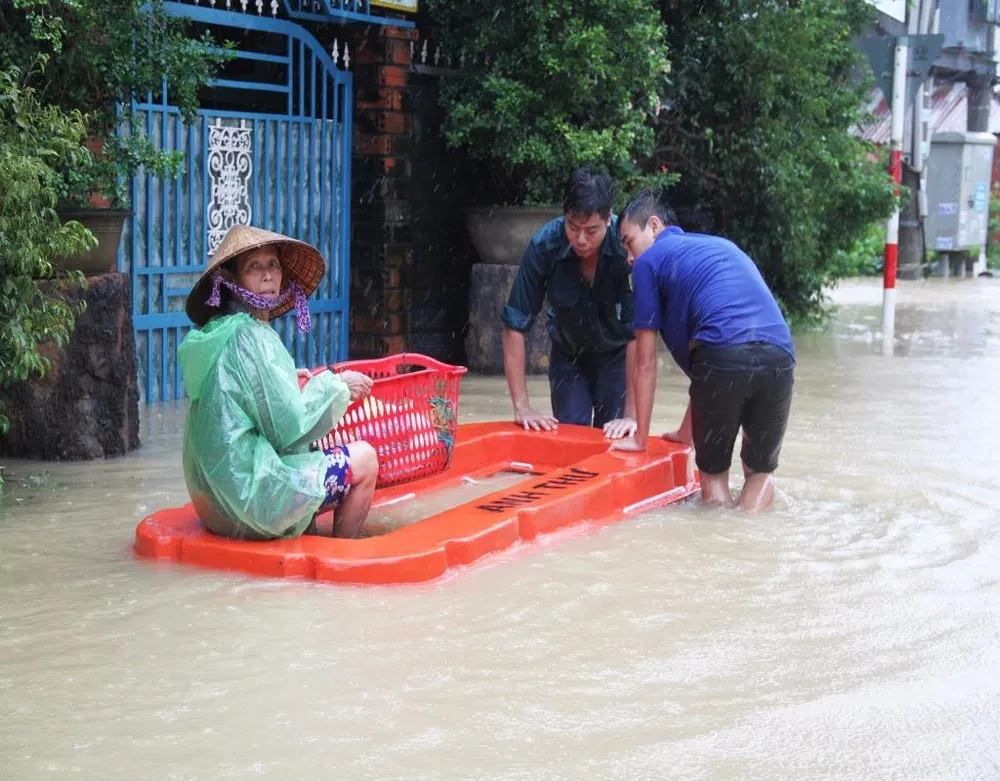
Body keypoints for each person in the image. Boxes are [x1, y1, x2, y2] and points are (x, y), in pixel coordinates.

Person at [178, 224, 379, 540]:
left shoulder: (220, 331)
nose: (267, 275)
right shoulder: (250, 336)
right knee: (366, 459)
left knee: (308, 454)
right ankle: (343, 562)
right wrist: (337, 385)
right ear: (230, 281)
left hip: (215, 503)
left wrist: (292, 381)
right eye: (253, 268)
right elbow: (290, 427)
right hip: (249, 502)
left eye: (272, 264)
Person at [610, 190, 796, 512]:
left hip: (724, 356)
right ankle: (748, 537)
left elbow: (645, 363)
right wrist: (686, 433)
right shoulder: (720, 246)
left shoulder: (648, 263)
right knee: (759, 472)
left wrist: (640, 438)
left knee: (712, 476)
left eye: (629, 242)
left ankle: (724, 543)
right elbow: (705, 367)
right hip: (780, 355)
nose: (629, 256)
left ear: (654, 226)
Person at [501, 166, 637, 439]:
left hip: (617, 357)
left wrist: (632, 414)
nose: (581, 239)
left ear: (609, 218)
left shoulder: (627, 248)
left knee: (615, 439)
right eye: (573, 227)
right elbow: (514, 324)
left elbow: (639, 334)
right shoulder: (544, 245)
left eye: (591, 230)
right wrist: (523, 406)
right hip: (568, 356)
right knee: (570, 437)